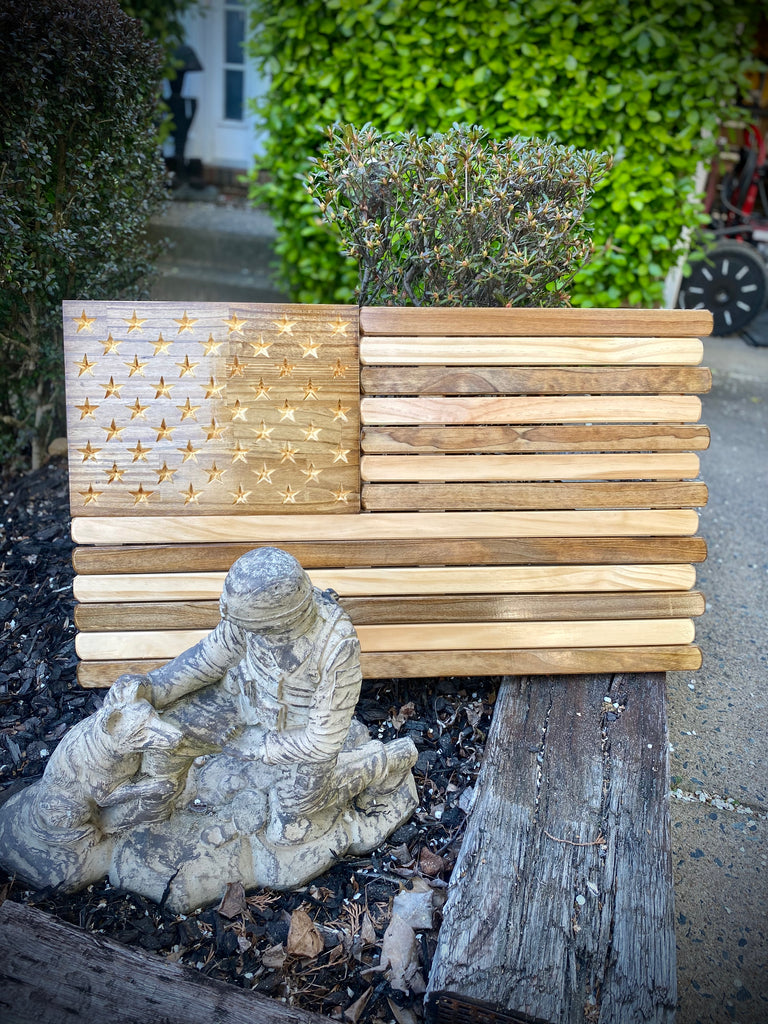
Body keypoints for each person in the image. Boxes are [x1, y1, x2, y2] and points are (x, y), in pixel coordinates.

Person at [129, 546, 416, 845]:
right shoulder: (247, 619)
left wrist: (260, 746)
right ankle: (157, 809)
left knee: (292, 817)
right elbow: (209, 659)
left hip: (298, 734)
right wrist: (152, 687)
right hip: (242, 702)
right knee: (167, 732)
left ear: (278, 622)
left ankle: (387, 758)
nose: (237, 626)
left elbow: (322, 741)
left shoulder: (335, 644)